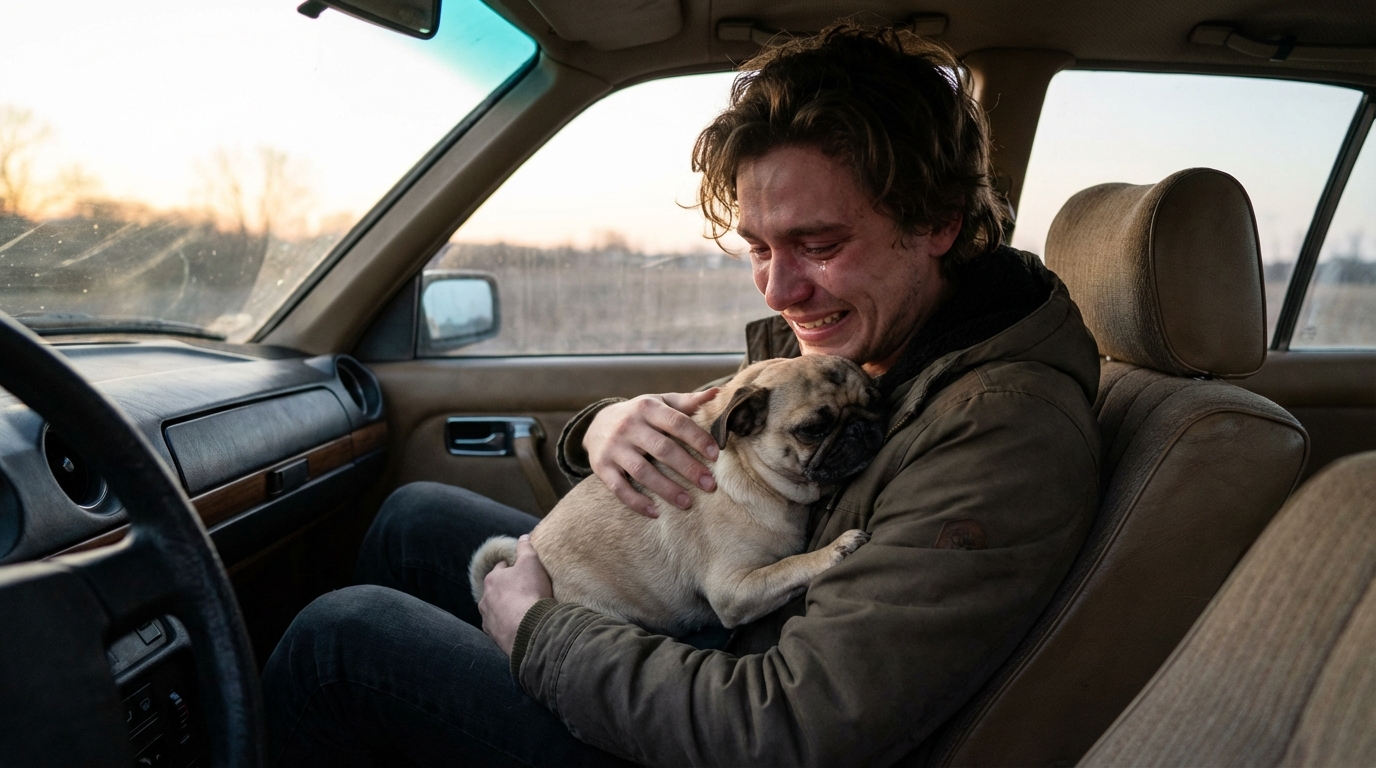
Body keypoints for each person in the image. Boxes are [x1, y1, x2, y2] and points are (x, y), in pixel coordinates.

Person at [261, 22, 1101, 767]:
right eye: (758, 247)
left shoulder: (998, 433)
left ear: (939, 223)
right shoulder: (891, 348)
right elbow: (696, 516)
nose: (778, 290)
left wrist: (541, 637)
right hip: (720, 633)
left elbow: (789, 726)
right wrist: (601, 432)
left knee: (339, 640)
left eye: (817, 243)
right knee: (416, 519)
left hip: (736, 707)